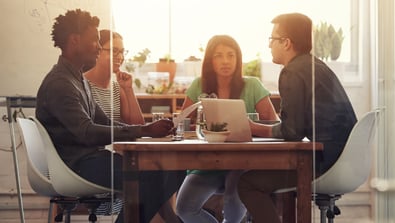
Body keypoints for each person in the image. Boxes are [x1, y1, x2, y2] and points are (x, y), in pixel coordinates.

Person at [35, 9, 183, 223]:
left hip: (91, 161)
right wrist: (143, 131)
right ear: (75, 41)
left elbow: (103, 121)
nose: (97, 46)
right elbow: (87, 132)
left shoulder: (77, 79)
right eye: (94, 40)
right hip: (76, 166)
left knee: (174, 168)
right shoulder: (60, 83)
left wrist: (147, 132)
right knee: (157, 173)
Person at [237, 13, 357, 223]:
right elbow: (296, 125)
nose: (269, 46)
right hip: (344, 158)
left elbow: (292, 132)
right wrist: (262, 126)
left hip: (327, 162)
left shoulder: (292, 72)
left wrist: (253, 128)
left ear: (286, 43)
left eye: (272, 39)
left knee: (247, 183)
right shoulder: (313, 65)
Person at [175, 34, 279, 223]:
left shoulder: (252, 85)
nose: (225, 61)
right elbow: (183, 123)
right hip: (207, 164)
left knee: (234, 198)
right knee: (184, 209)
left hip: (242, 163)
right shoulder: (199, 85)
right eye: (219, 56)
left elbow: (273, 123)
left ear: (238, 59)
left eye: (231, 55)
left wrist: (253, 127)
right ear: (209, 60)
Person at [84, 29, 183, 222]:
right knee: (160, 175)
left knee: (172, 169)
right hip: (96, 162)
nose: (119, 57)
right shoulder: (83, 85)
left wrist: (128, 90)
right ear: (96, 50)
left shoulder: (116, 87)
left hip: (118, 156)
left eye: (122, 52)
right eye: (113, 51)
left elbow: (138, 126)